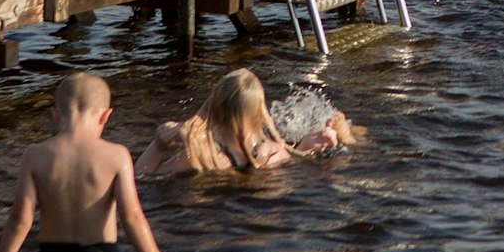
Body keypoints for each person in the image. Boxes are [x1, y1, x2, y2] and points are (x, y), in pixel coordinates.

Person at [0, 72, 161, 252]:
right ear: (105, 116)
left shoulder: (34, 155)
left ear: (55, 115)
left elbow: (20, 219)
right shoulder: (116, 155)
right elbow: (132, 217)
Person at [138, 68, 362, 176]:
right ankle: (347, 137)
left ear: (214, 106)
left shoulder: (202, 156)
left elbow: (142, 177)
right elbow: (296, 159)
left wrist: (157, 145)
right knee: (323, 145)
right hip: (271, 167)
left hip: (224, 176)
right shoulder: (274, 150)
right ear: (260, 113)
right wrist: (303, 149)